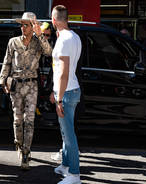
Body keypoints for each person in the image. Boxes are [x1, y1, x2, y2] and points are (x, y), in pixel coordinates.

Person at [0, 12, 52, 170]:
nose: (22, 27)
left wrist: (40, 34)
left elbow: (49, 52)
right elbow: (6, 62)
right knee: (18, 120)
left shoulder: (38, 42)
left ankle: (26, 153)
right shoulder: (13, 42)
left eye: (26, 25)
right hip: (16, 85)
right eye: (21, 24)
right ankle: (18, 143)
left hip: (32, 86)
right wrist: (3, 81)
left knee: (30, 121)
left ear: (33, 26)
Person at [50, 5, 82, 184]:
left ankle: (75, 175)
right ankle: (65, 166)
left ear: (54, 20)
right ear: (66, 18)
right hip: (71, 89)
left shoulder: (64, 40)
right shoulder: (74, 36)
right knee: (66, 132)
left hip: (67, 92)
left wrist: (59, 97)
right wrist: (55, 93)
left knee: (69, 135)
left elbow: (63, 71)